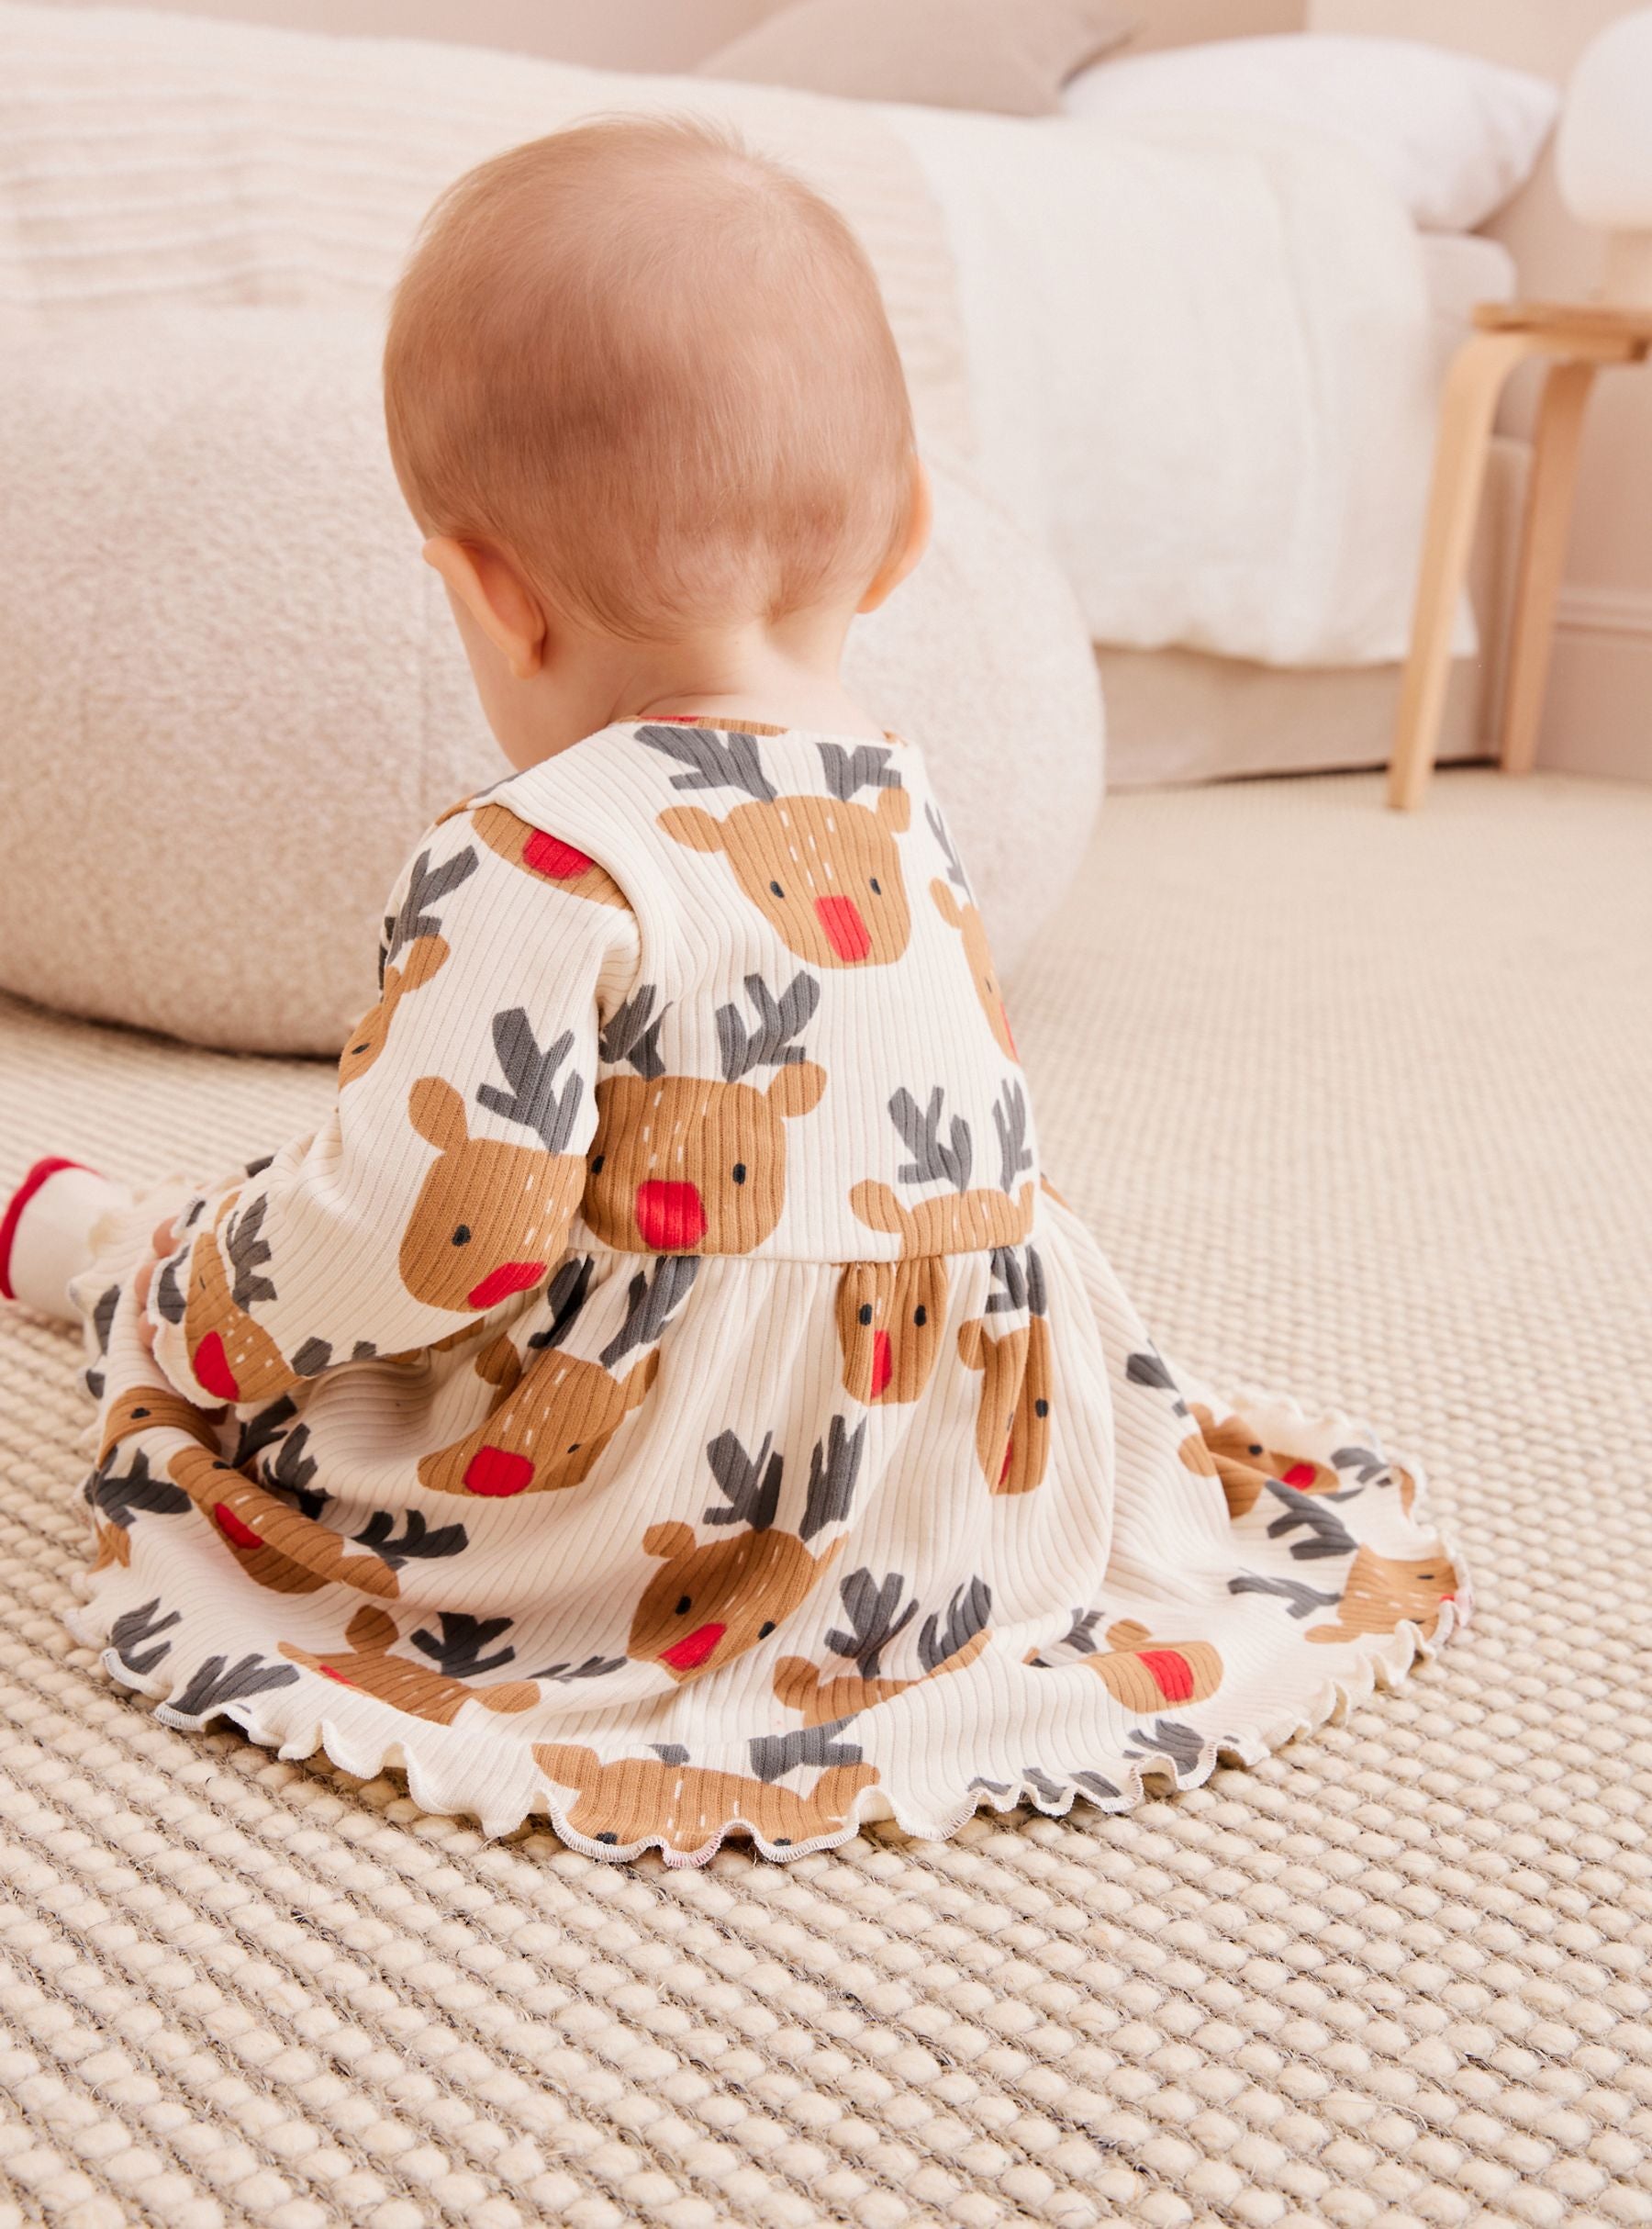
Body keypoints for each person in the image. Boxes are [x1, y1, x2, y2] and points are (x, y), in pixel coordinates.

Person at [0, 119, 1462, 1864]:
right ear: (914, 535)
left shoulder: (540, 859)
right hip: (957, 1478)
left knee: (250, 1338)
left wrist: (192, 1308)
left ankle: (102, 1247)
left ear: (488, 592)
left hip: (661, 1497)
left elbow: (417, 1244)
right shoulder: (906, 808)